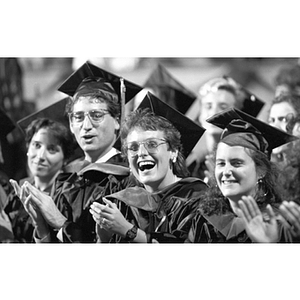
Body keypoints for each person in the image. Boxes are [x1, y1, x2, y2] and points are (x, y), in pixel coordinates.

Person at [17, 61, 142, 243]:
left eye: (96, 115)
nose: (86, 126)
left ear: (117, 121)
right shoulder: (67, 182)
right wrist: (41, 227)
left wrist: (60, 222)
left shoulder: (129, 180)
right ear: (70, 124)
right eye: (79, 117)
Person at [89, 92, 208, 243]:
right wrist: (104, 239)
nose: (142, 153)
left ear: (173, 152)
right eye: (133, 148)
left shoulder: (197, 198)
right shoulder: (123, 203)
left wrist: (128, 230)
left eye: (152, 144)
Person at [186, 107, 297, 243]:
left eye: (236, 163)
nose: (226, 171)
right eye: (221, 163)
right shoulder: (203, 218)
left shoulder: (281, 224)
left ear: (261, 170)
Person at [5, 116, 75, 242]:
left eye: (52, 149)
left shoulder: (70, 198)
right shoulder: (16, 193)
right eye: (36, 145)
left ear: (65, 159)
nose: (40, 156)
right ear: (27, 147)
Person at [186, 76, 264, 181]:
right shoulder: (191, 164)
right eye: (208, 106)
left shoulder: (246, 162)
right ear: (200, 115)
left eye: (223, 107)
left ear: (236, 115)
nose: (214, 112)